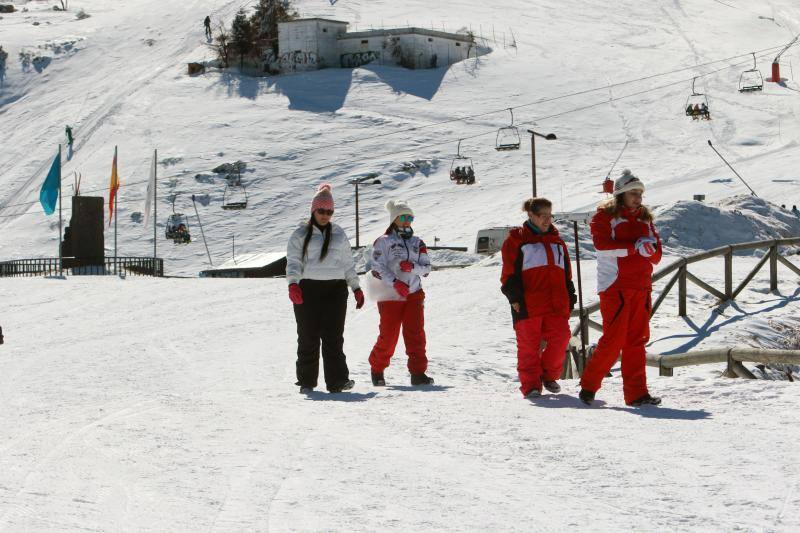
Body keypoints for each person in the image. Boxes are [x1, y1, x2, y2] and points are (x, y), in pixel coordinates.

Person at [579, 169, 662, 407]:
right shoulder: (604, 217)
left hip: (641, 286)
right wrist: (635, 247)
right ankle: (589, 385)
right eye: (633, 193)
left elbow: (656, 256)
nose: (638, 197)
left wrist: (650, 250)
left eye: (640, 193)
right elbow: (602, 245)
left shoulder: (646, 219)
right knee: (614, 340)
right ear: (620, 195)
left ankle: (637, 394)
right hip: (615, 285)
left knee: (637, 340)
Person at [286, 183, 364, 394]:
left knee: (333, 337)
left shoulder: (339, 234)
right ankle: (306, 382)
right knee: (308, 336)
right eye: (321, 211)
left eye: (329, 211)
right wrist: (293, 284)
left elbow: (348, 264)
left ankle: (337, 381)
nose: (325, 215)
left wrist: (356, 287)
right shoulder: (300, 234)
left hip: (335, 290)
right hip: (307, 289)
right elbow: (293, 262)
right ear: (313, 210)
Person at [501, 198, 576, 398]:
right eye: (542, 215)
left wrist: (571, 296)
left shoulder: (558, 242)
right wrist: (514, 298)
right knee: (529, 346)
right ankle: (531, 385)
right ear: (531, 215)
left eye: (549, 215)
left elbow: (566, 273)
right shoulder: (517, 240)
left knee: (561, 338)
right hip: (527, 303)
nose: (547, 220)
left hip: (556, 303)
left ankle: (548, 375)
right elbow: (508, 274)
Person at [367, 200, 434, 386]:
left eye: (410, 217)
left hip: (414, 293)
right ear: (394, 219)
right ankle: (377, 369)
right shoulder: (383, 242)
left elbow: (427, 268)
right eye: (403, 217)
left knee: (416, 334)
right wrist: (395, 283)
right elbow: (377, 266)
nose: (407, 221)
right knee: (389, 335)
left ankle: (418, 373)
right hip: (390, 295)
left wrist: (412, 267)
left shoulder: (417, 242)